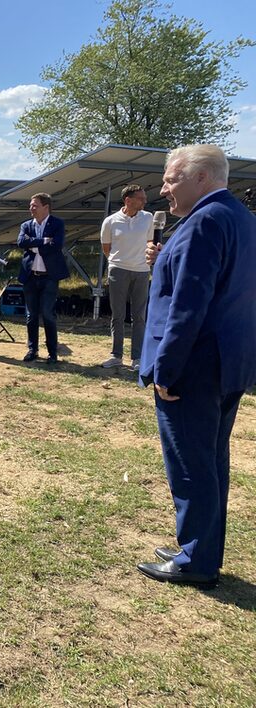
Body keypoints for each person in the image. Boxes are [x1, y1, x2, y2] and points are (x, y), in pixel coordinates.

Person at [136, 145, 256, 587]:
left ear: (201, 177)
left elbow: (188, 306)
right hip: (229, 364)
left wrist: (166, 370)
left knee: (190, 463)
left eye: (171, 179)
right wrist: (165, 259)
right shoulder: (240, 218)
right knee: (211, 459)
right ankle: (200, 547)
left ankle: (196, 562)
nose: (163, 189)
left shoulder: (204, 222)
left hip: (195, 367)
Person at [100, 184, 152, 371]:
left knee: (139, 315)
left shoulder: (148, 218)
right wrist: (118, 262)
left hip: (141, 271)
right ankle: (116, 355)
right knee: (118, 314)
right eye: (141, 198)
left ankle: (137, 357)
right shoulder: (111, 221)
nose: (144, 201)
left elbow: (150, 242)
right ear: (128, 200)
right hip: (118, 270)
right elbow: (106, 248)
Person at [17, 193, 69, 364]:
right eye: (31, 205)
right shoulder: (26, 225)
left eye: (35, 205)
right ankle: (33, 349)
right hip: (30, 276)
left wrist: (34, 246)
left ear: (46, 207)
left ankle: (52, 352)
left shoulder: (57, 223)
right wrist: (43, 241)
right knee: (31, 315)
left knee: (47, 314)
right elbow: (21, 243)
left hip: (49, 277)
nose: (31, 208)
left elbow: (57, 245)